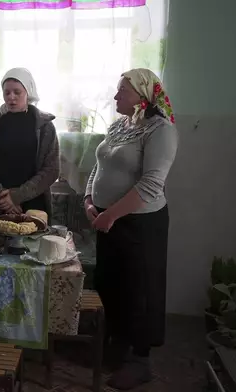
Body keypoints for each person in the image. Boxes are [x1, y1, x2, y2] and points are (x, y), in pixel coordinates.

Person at [85, 68, 177, 390]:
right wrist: (88, 201)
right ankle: (118, 346)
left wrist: (111, 215)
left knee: (140, 290)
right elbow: (99, 166)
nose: (115, 96)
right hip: (108, 220)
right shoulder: (118, 126)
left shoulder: (160, 130)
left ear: (142, 94)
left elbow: (152, 184)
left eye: (122, 91)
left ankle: (140, 361)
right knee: (111, 284)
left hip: (141, 225)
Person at [0, 68, 59, 222]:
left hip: (33, 204)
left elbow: (51, 170)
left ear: (28, 92)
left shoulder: (44, 126)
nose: (11, 97)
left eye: (17, 92)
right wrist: (3, 196)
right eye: (7, 93)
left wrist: (16, 196)